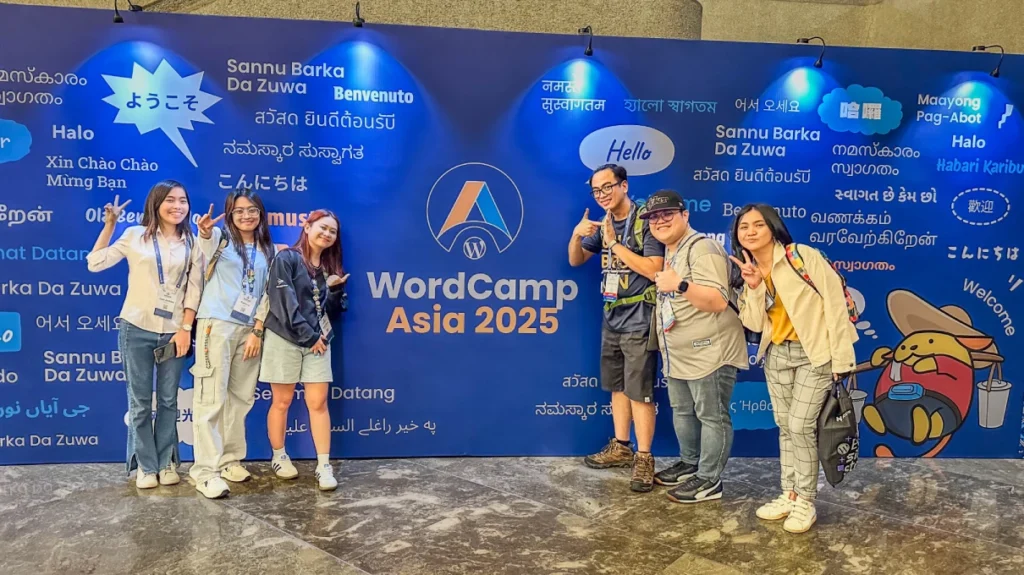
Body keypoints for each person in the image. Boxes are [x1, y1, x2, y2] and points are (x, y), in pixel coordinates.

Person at [729, 203, 857, 533]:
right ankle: (789, 493)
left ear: (773, 228)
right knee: (785, 425)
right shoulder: (751, 270)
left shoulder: (801, 256)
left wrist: (842, 361)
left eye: (758, 224)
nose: (751, 231)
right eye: (744, 227)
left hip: (814, 354)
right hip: (777, 356)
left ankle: (806, 501)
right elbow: (753, 323)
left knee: (801, 425)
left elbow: (835, 304)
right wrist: (755, 287)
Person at [87, 181, 202, 489]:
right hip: (135, 327)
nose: (177, 206)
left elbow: (194, 291)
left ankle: (166, 463)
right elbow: (95, 263)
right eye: (170, 200)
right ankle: (146, 466)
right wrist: (109, 226)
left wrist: (185, 330)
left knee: (168, 401)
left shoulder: (193, 242)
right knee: (139, 402)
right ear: (156, 203)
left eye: (183, 200)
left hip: (174, 332)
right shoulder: (134, 235)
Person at [642, 190, 747, 504]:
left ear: (685, 215)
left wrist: (680, 285)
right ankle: (691, 464)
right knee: (684, 412)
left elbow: (717, 300)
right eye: (654, 217)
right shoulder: (672, 251)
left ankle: (709, 480)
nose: (660, 221)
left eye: (667, 214)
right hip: (680, 353)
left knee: (711, 415)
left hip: (710, 350)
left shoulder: (703, 248)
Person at [568, 164, 664, 492]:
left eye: (608, 187)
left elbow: (655, 269)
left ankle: (645, 457)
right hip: (612, 316)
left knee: (640, 390)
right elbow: (576, 260)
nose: (602, 195)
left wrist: (614, 245)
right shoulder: (605, 222)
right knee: (617, 387)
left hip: (639, 316)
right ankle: (622, 447)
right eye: (596, 191)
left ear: (624, 185)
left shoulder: (645, 222)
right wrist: (577, 234)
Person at [187, 188, 276, 499]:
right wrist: (205, 230)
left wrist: (258, 329)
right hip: (217, 325)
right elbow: (204, 245)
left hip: (249, 330)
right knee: (211, 398)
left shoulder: (269, 250)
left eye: (252, 209)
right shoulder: (219, 242)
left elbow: (268, 292)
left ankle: (229, 459)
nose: (246, 215)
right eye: (239, 211)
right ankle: (204, 471)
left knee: (241, 398)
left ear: (260, 213)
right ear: (231, 214)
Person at [261, 209, 348, 491]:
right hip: (285, 338)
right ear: (307, 226)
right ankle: (279, 455)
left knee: (318, 402)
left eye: (332, 231)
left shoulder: (328, 268)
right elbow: (283, 303)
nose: (327, 234)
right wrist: (309, 336)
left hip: (318, 343)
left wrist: (334, 290)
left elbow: (331, 313)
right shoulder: (286, 258)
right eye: (322, 228)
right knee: (282, 401)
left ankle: (324, 465)